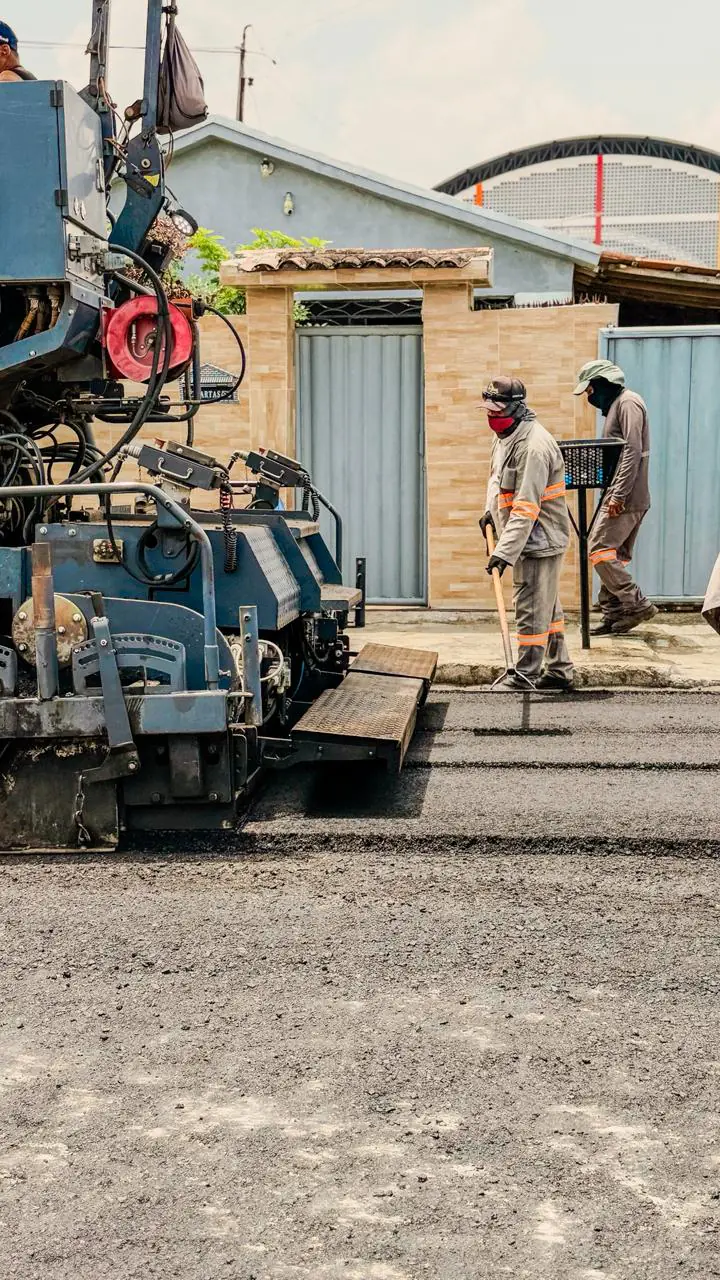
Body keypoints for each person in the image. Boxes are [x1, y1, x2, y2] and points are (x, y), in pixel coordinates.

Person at [479, 376, 575, 692]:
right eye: (488, 411)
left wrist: (503, 553)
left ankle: (525, 673)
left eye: (498, 410)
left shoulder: (534, 446)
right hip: (525, 536)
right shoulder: (505, 435)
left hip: (537, 539)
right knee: (546, 607)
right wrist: (489, 512)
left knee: (531, 607)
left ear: (519, 408)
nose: (492, 417)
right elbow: (496, 480)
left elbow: (526, 508)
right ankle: (559, 670)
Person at [573, 359, 657, 635]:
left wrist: (618, 494)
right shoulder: (617, 406)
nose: (589, 397)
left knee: (598, 550)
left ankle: (636, 603)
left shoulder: (628, 403)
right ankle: (614, 613)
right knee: (614, 555)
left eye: (590, 390)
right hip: (621, 493)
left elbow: (632, 451)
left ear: (602, 384)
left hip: (628, 496)